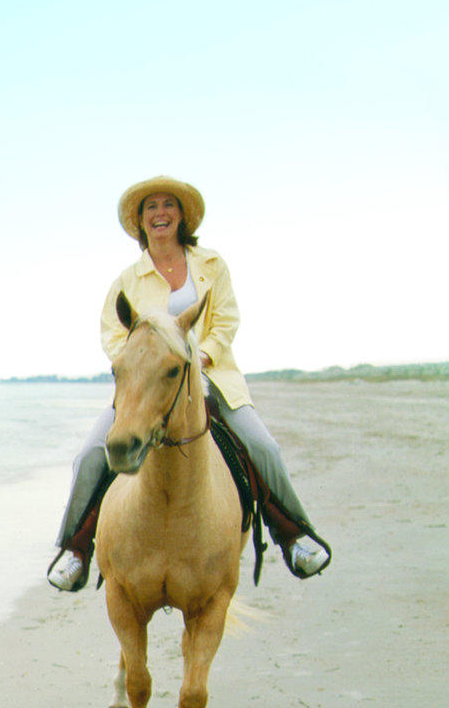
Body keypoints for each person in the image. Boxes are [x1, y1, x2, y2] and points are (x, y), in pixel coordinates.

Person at [48, 174, 331, 591]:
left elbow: (226, 320)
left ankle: (292, 534)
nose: (160, 213)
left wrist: (199, 357)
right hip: (147, 386)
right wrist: (141, 365)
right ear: (141, 222)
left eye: (168, 205)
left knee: (262, 446)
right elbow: (113, 334)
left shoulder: (211, 265)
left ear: (181, 217)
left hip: (211, 375)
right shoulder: (127, 281)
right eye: (151, 207)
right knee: (90, 455)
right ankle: (76, 549)